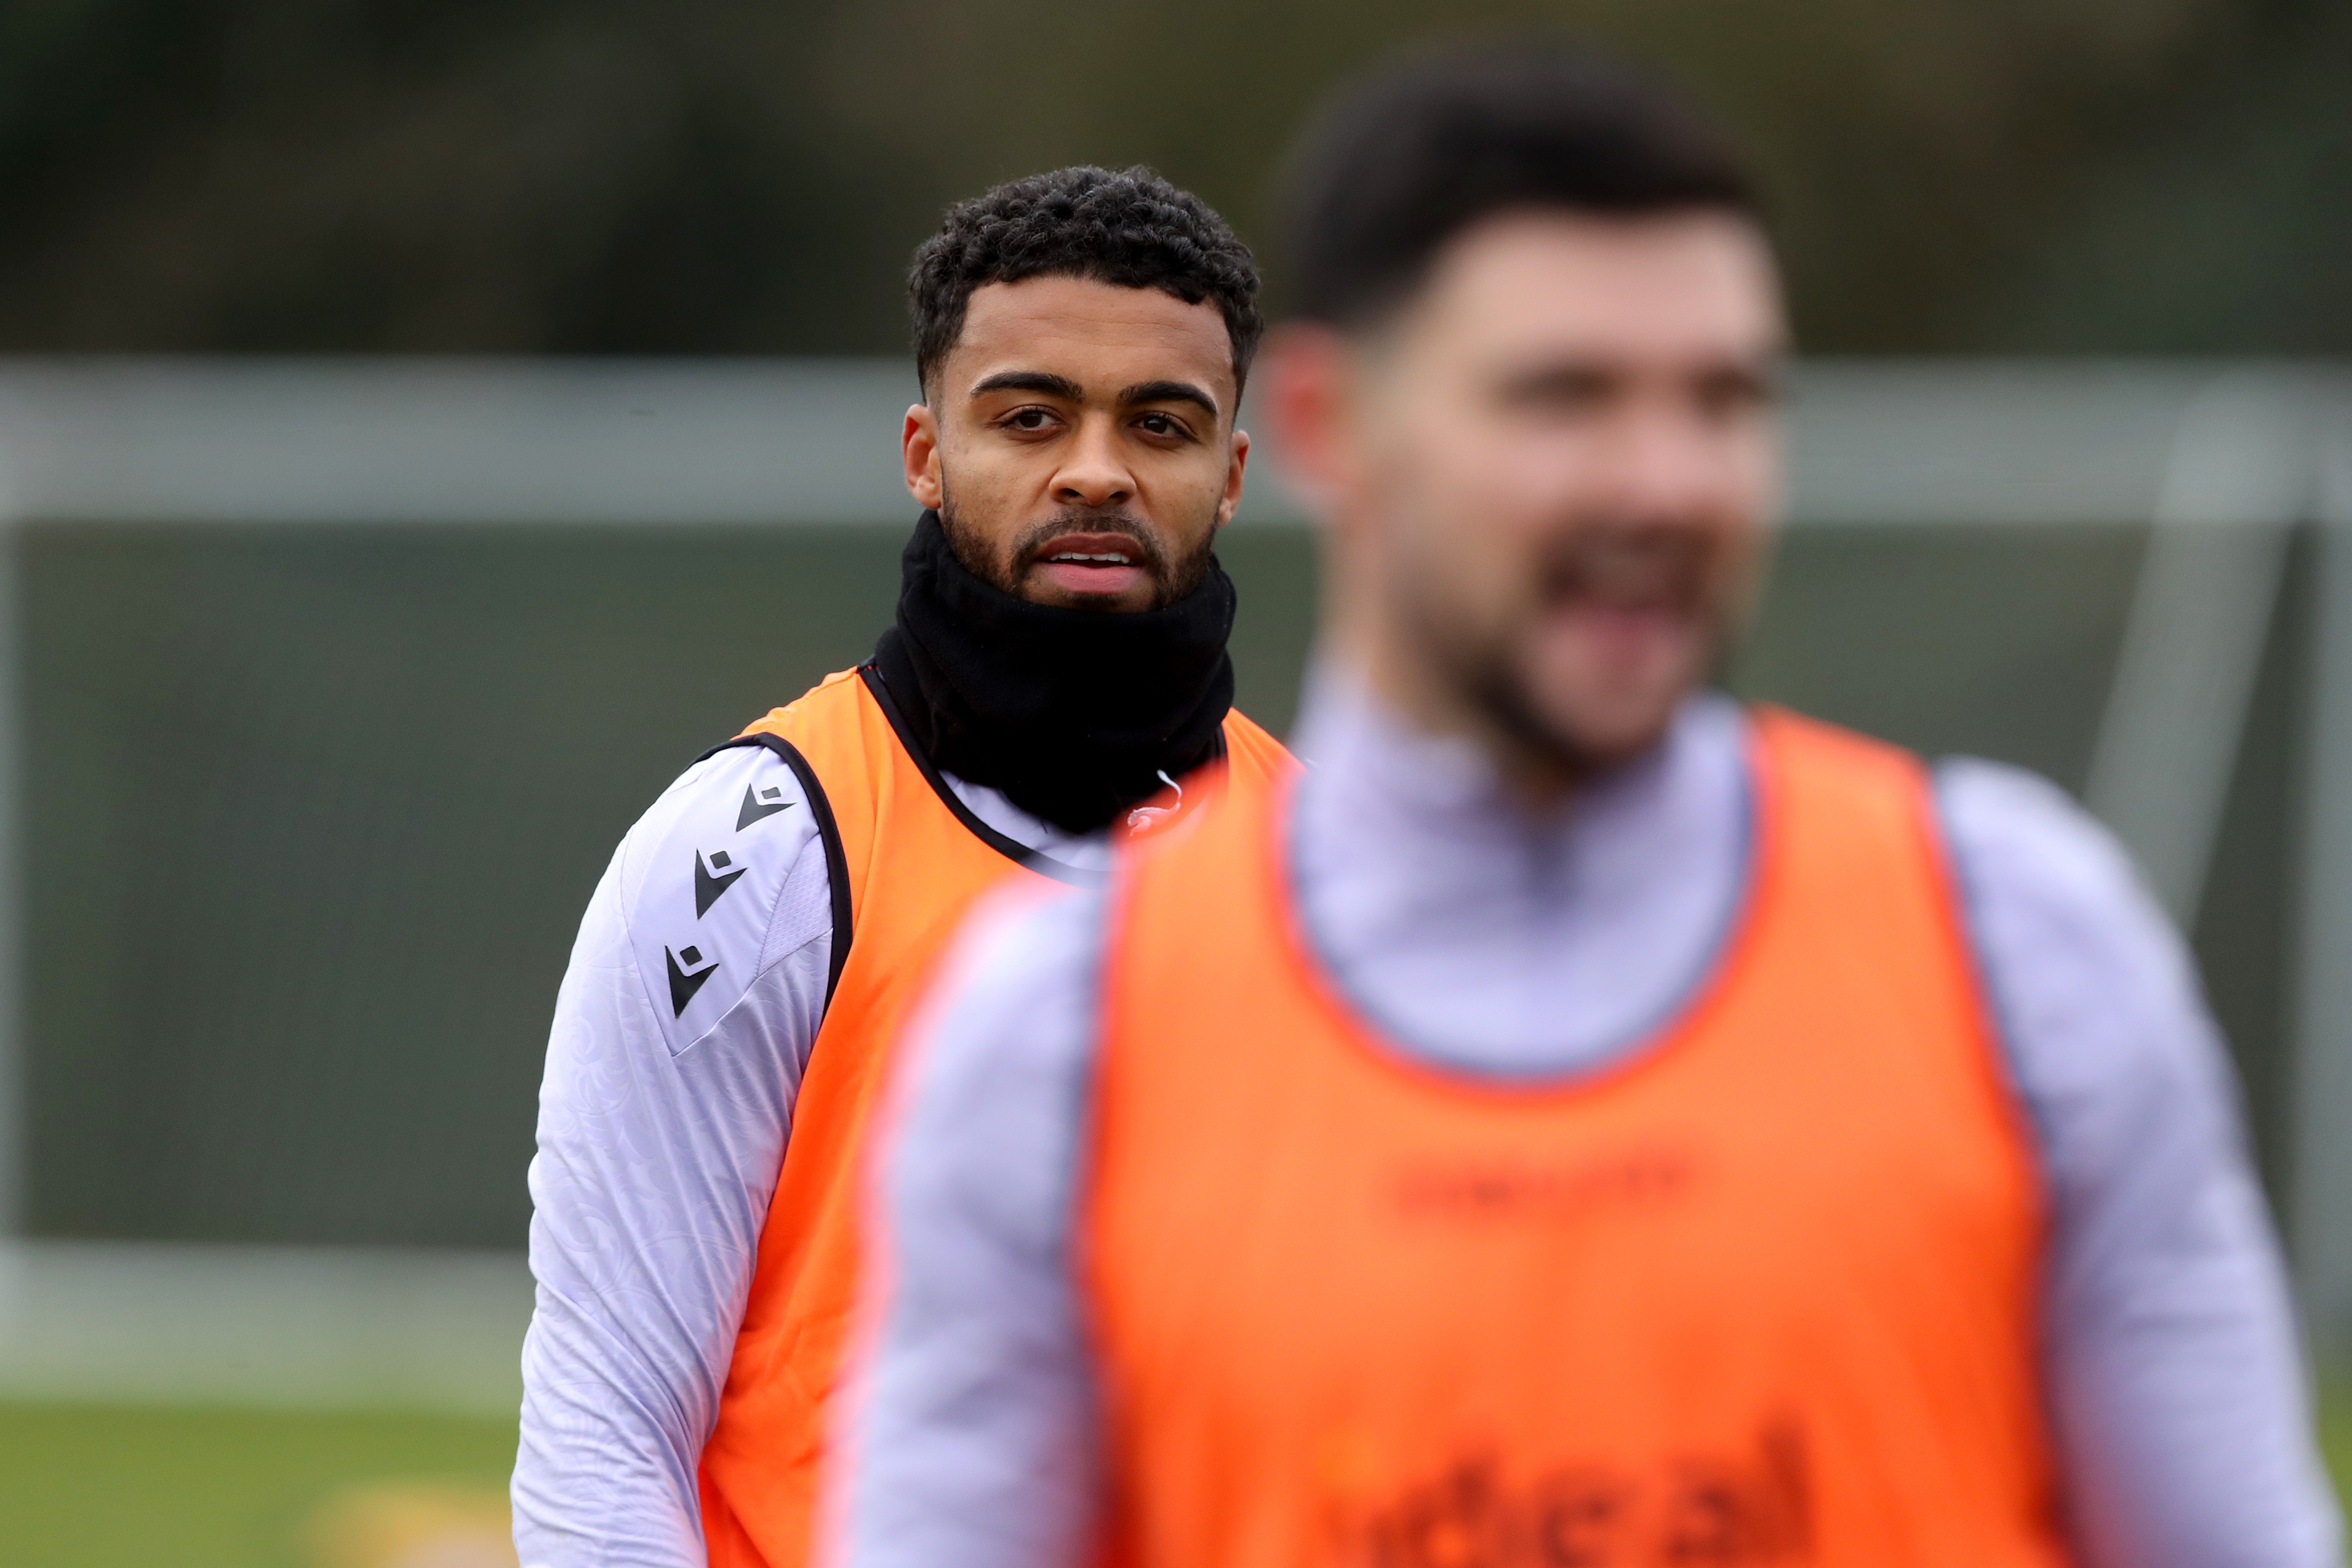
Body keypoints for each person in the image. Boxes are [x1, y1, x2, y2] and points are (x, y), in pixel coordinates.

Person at [831, 46, 2344, 1568]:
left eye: (1720, 403)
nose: (1662, 486)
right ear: (1325, 428)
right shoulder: (1060, 1038)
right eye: (1563, 398)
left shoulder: (2018, 951)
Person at [511, 165, 1292, 1568]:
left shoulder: (1326, 862)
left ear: (1230, 475)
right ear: (927, 454)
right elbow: (603, 1428)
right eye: (1032, 416)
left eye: (1160, 425)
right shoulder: (750, 850)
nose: (1096, 469)